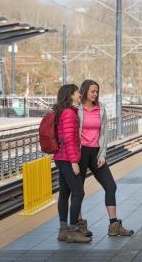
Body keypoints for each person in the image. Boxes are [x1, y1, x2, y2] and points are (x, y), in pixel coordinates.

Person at [77, 79, 134, 237]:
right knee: (78, 191)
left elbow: (104, 133)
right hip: (80, 153)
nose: (95, 94)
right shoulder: (77, 109)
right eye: (92, 91)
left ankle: (114, 225)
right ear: (84, 92)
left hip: (96, 153)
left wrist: (102, 154)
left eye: (97, 91)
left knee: (111, 186)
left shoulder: (100, 109)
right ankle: (79, 225)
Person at [53, 84, 91, 243]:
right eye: (77, 92)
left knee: (65, 193)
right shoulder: (69, 113)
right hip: (67, 159)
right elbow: (68, 140)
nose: (79, 94)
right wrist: (74, 162)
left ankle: (63, 230)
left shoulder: (66, 112)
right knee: (78, 192)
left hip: (61, 158)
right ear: (70, 96)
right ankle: (73, 229)